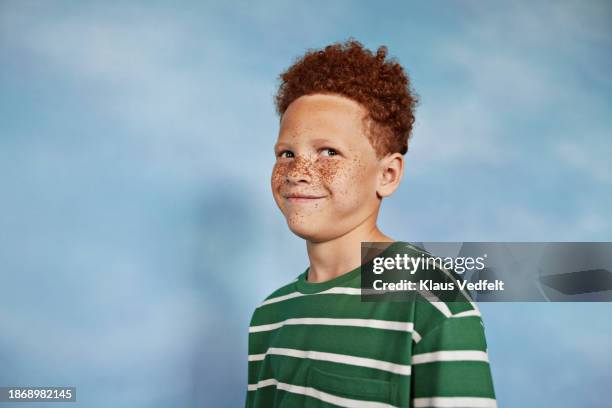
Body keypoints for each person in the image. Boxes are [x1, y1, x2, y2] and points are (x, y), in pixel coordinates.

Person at [245, 39, 496, 408]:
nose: (298, 172)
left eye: (329, 152)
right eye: (287, 154)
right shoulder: (268, 316)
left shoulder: (429, 298)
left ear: (388, 175)